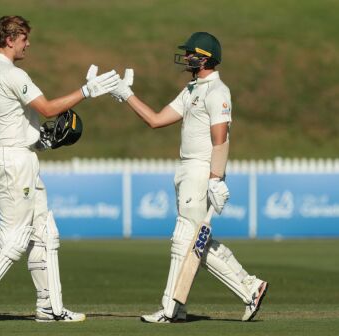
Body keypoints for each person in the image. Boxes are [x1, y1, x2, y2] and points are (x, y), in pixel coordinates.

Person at [0, 15, 120, 323]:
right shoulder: (13, 74)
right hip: (16, 160)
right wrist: (87, 91)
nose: (28, 43)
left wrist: (34, 138)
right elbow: (48, 109)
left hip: (10, 153)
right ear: (10, 39)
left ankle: (49, 307)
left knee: (45, 233)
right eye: (24, 37)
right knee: (14, 239)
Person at [110, 32, 268, 323]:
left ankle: (171, 308)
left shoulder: (217, 91)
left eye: (190, 54)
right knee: (197, 242)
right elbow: (156, 120)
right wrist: (126, 95)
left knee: (184, 239)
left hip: (201, 170)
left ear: (204, 58)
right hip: (187, 170)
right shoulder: (192, 89)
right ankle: (248, 287)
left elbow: (220, 139)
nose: (185, 58)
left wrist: (216, 178)